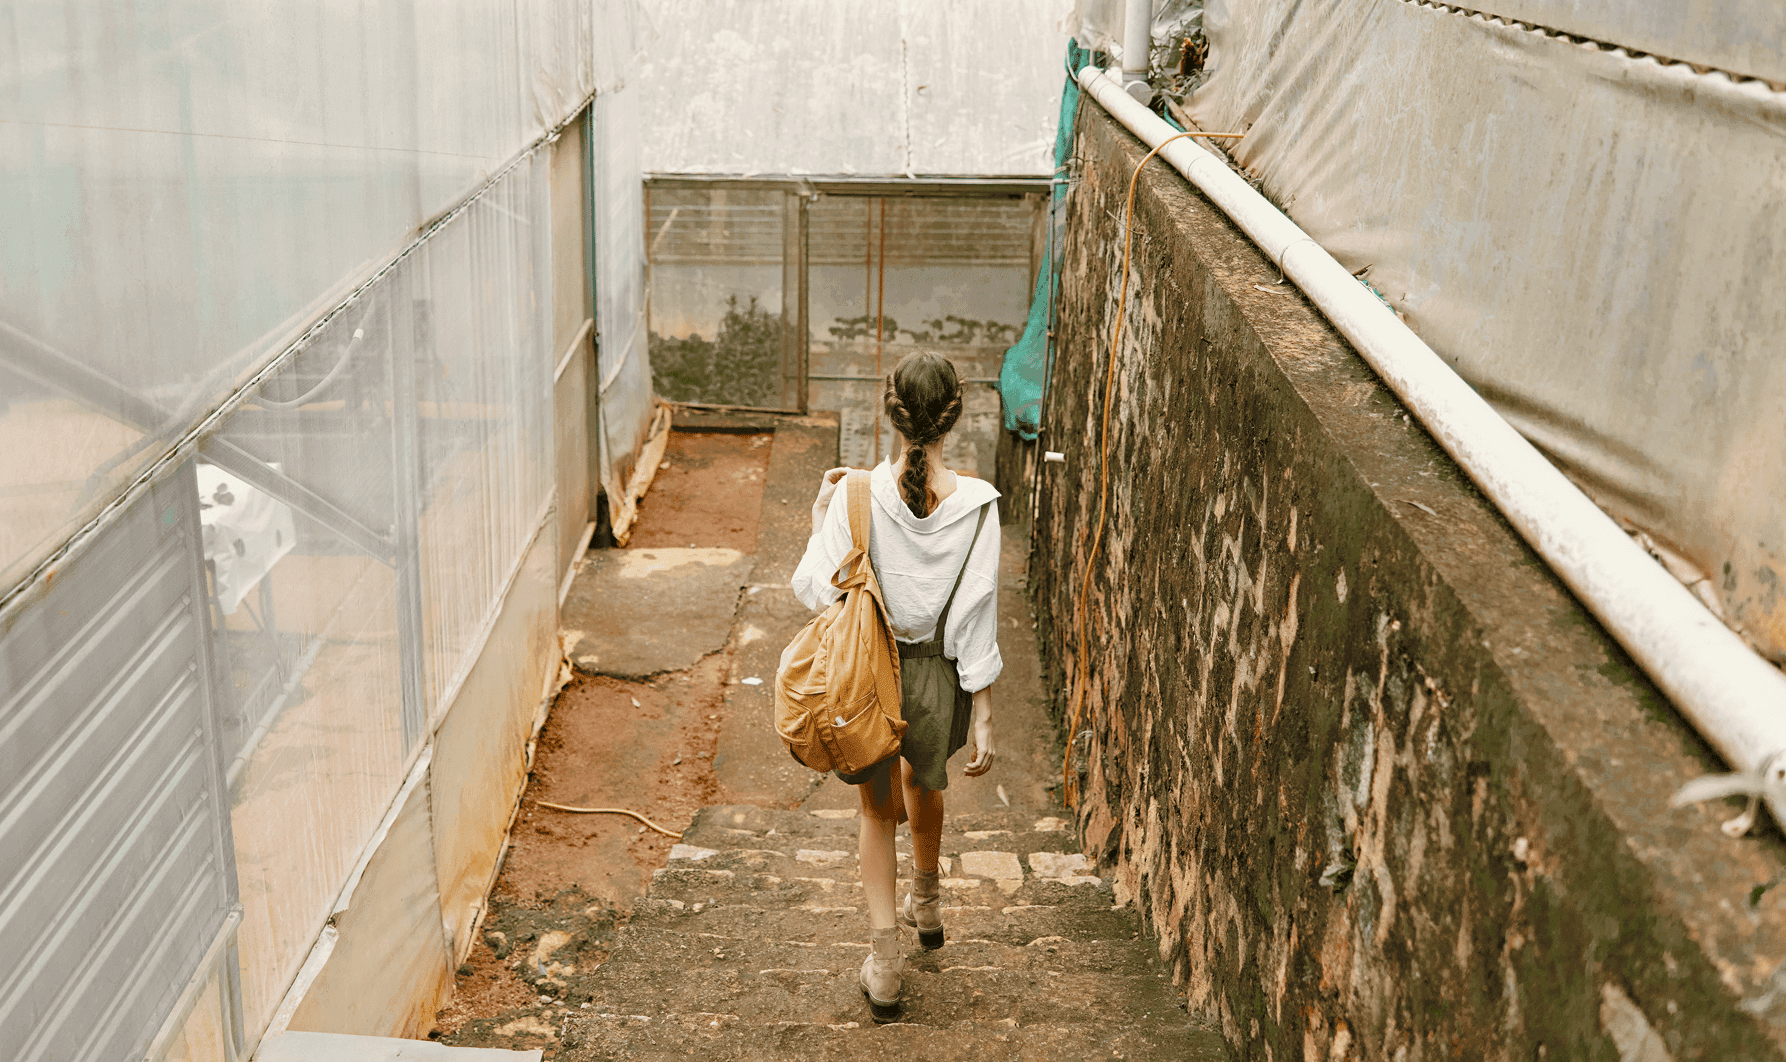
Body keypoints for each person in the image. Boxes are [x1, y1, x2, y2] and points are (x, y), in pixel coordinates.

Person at [790, 350, 1002, 1023]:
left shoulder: (856, 493)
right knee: (926, 784)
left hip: (869, 674)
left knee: (876, 811)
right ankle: (929, 901)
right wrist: (986, 708)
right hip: (941, 675)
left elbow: (814, 592)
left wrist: (822, 511)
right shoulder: (978, 505)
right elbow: (978, 610)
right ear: (954, 417)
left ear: (890, 412)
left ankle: (885, 966)